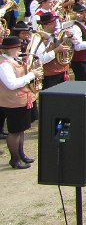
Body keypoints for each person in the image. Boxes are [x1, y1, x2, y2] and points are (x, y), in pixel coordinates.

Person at [0, 36, 42, 169]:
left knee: (21, 129)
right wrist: (31, 75)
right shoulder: (4, 65)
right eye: (17, 48)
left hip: (23, 99)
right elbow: (12, 84)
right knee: (14, 131)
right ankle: (15, 158)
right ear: (9, 49)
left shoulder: (14, 60)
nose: (20, 49)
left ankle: (21, 153)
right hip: (13, 102)